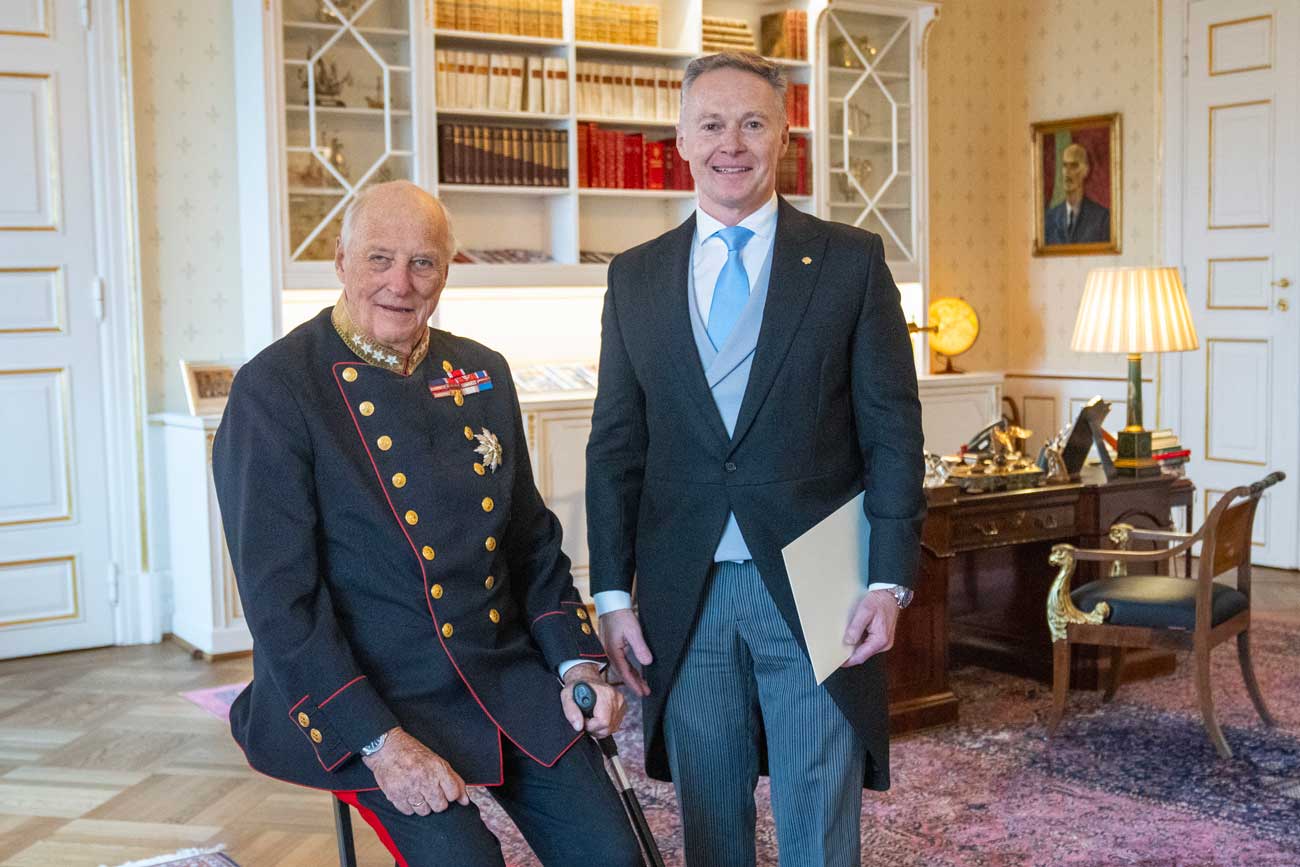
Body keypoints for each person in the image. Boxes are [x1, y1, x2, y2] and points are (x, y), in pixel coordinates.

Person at [212, 181, 640, 867]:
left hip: (497, 672)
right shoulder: (276, 389)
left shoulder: (482, 371)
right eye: (379, 258)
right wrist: (378, 741)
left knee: (612, 856)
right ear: (341, 260)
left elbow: (530, 544)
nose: (400, 283)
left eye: (423, 263)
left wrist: (576, 662)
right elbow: (281, 603)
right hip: (373, 693)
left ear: (446, 270)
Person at [586, 52, 926, 866]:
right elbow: (615, 446)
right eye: (711, 124)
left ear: (783, 138)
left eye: (751, 123)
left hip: (819, 583)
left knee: (819, 813)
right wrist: (611, 592)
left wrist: (888, 580)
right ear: (680, 140)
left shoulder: (851, 262)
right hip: (684, 587)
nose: (730, 144)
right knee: (709, 819)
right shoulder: (634, 277)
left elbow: (893, 433)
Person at [1044, 142, 1110, 244]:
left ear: (1086, 171)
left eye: (1074, 166)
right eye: (1065, 165)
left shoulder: (1101, 218)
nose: (1067, 172)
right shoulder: (1049, 219)